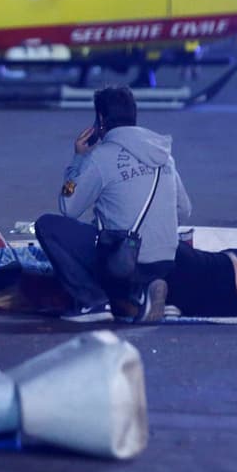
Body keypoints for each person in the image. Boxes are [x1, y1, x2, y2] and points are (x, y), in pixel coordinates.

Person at [33, 84, 191, 323]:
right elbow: (184, 210)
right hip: (165, 262)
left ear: (100, 120)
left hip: (124, 262)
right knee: (117, 238)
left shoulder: (101, 157)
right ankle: (141, 293)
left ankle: (91, 302)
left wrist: (78, 159)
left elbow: (69, 207)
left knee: (48, 226)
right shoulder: (165, 157)